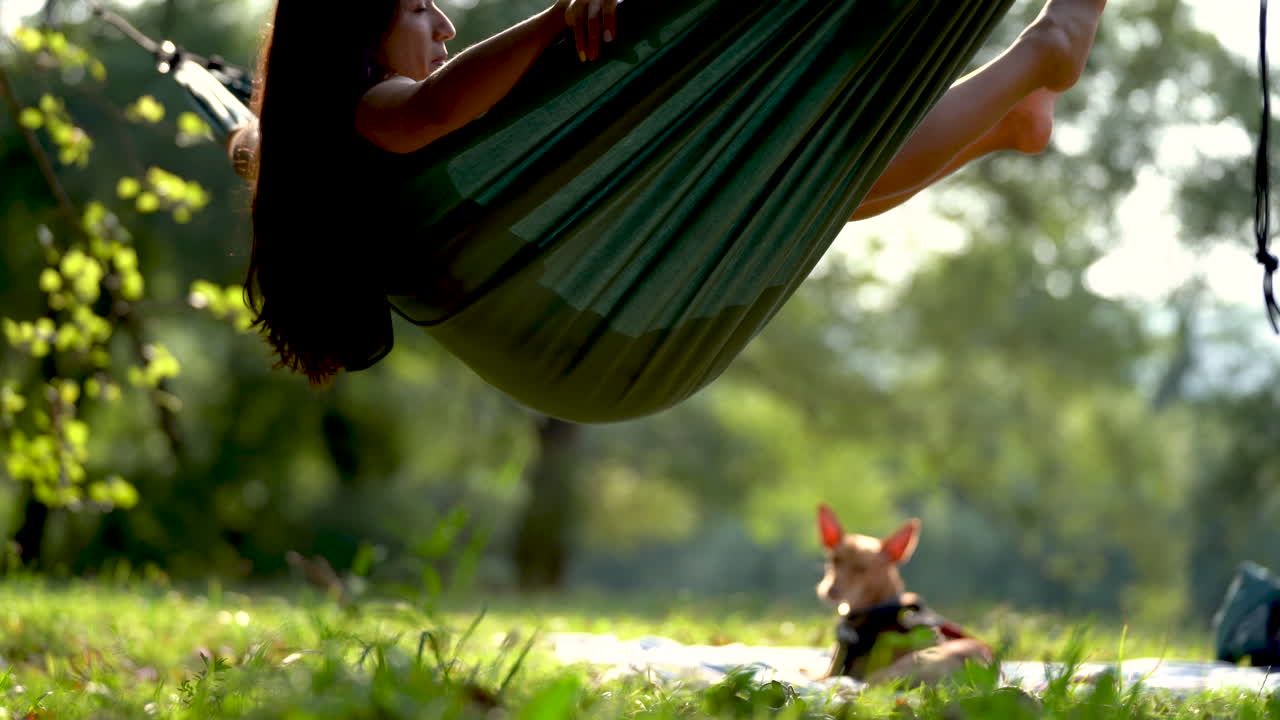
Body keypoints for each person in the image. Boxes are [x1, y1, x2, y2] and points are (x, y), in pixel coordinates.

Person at [233, 0, 1107, 385]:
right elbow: (438, 105)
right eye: (419, 6)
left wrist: (252, 137)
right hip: (593, 302)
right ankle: (1042, 54)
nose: (447, 25)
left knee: (813, 183)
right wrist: (553, 21)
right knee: (815, 177)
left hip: (595, 309)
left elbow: (265, 142)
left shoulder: (307, 148)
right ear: (353, 23)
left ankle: (1010, 107)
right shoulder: (375, 113)